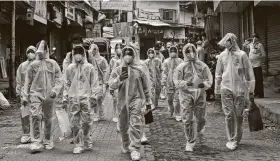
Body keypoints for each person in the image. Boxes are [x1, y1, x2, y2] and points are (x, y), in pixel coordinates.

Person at [109, 46, 152, 161]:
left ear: (134, 56)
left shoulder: (139, 70)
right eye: (126, 54)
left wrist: (148, 101)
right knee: (123, 126)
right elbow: (111, 85)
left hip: (136, 99)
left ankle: (135, 149)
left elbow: (146, 87)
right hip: (122, 100)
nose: (128, 56)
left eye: (130, 54)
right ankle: (126, 144)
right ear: (122, 56)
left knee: (135, 123)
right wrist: (119, 79)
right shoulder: (118, 70)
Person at [215, 33, 255, 151]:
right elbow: (218, 73)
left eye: (228, 40)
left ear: (233, 41)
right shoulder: (222, 55)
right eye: (225, 41)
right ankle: (231, 139)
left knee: (238, 115)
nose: (226, 43)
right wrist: (217, 89)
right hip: (225, 87)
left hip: (240, 88)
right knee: (228, 114)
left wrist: (250, 90)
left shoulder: (242, 55)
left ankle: (237, 138)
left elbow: (249, 73)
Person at [22, 40, 63, 152]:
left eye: (43, 49)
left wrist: (55, 90)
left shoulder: (52, 63)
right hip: (35, 93)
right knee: (35, 116)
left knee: (48, 119)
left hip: (50, 94)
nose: (41, 51)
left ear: (46, 50)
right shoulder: (33, 65)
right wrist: (25, 96)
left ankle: (48, 140)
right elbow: (27, 81)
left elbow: (59, 78)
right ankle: (36, 141)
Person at [173, 43, 213, 152]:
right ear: (184, 53)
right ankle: (190, 141)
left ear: (195, 52)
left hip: (199, 94)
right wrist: (186, 83)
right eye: (187, 52)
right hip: (186, 95)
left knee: (201, 117)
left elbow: (209, 78)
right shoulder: (181, 67)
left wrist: (204, 85)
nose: (190, 54)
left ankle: (200, 128)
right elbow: (176, 80)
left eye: (192, 51)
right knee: (187, 118)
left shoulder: (202, 65)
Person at [63, 45, 99, 154]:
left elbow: (94, 83)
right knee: (75, 123)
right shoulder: (70, 68)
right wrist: (65, 97)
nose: (78, 55)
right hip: (74, 98)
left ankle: (87, 138)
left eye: (80, 53)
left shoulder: (89, 68)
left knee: (87, 122)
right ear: (73, 55)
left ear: (83, 54)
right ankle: (78, 144)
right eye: (76, 53)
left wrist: (94, 96)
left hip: (86, 98)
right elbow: (67, 84)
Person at [16, 45, 36, 144]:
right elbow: (19, 80)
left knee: (37, 114)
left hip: (37, 92)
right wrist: (19, 92)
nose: (30, 53)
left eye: (32, 51)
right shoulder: (22, 66)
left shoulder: (39, 65)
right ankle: (26, 134)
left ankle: (37, 134)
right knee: (24, 113)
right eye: (29, 51)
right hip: (25, 93)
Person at [162, 46, 183, 121]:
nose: (173, 53)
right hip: (169, 82)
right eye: (171, 51)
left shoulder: (180, 61)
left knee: (177, 99)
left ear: (176, 52)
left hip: (178, 82)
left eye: (174, 51)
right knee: (169, 99)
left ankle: (178, 114)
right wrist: (163, 82)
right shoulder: (166, 61)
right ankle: (171, 109)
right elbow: (164, 72)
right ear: (169, 52)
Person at [88, 44, 109, 122]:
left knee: (100, 99)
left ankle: (101, 115)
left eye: (94, 49)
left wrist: (105, 81)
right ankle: (96, 115)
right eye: (91, 49)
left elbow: (106, 70)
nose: (93, 51)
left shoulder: (102, 59)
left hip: (100, 82)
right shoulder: (89, 60)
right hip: (92, 82)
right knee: (94, 99)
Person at [244, 33, 265, 98]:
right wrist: (248, 40)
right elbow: (244, 45)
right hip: (252, 65)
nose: (254, 38)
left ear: (258, 38)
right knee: (254, 79)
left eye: (255, 37)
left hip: (258, 64)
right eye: (253, 37)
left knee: (259, 79)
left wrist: (262, 62)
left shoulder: (260, 45)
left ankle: (261, 94)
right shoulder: (251, 45)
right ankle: (256, 92)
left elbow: (263, 54)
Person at [108, 43, 123, 123]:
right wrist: (110, 85)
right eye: (117, 48)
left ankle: (121, 115)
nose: (118, 49)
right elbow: (110, 72)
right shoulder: (112, 60)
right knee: (115, 100)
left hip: (122, 82)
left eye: (120, 47)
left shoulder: (124, 60)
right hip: (114, 82)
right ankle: (115, 115)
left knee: (121, 100)